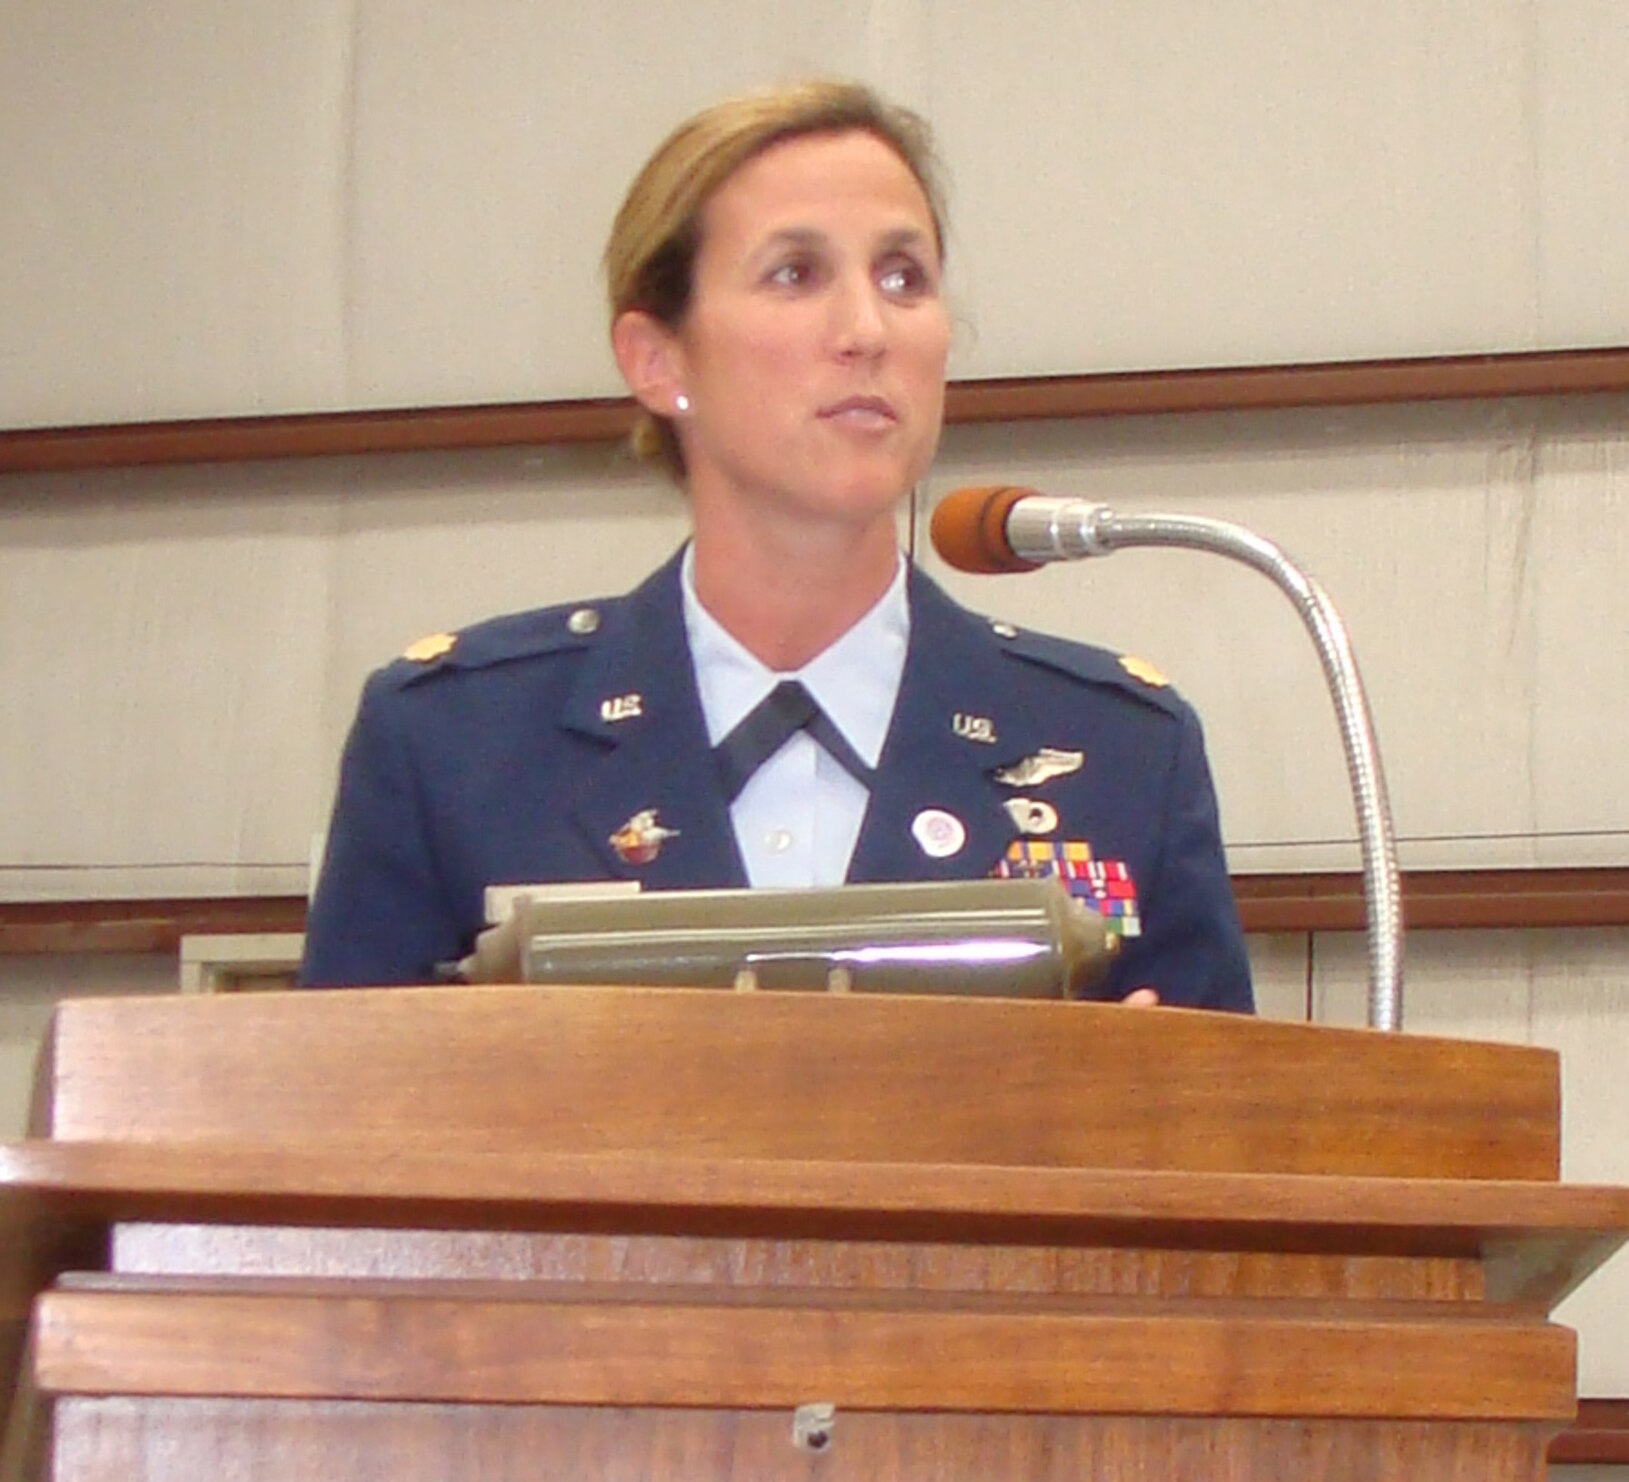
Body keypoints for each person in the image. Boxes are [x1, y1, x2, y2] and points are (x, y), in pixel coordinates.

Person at [301, 80, 1253, 1012]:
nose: (866, 330)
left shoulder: (1119, 752)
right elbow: (334, 1144)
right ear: (657, 358)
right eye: (795, 274)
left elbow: (1229, 1156)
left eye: (902, 277)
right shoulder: (456, 744)